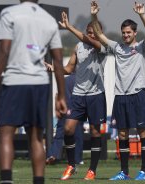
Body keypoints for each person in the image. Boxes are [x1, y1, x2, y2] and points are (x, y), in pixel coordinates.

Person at [0, 1, 67, 184]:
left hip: (14, 81)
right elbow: (59, 61)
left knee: (6, 133)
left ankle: (6, 181)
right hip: (39, 84)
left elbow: (4, 51)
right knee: (36, 138)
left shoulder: (9, 13)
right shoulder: (49, 20)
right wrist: (61, 95)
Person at [91, 1, 145, 180]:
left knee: (143, 132)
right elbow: (98, 34)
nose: (126, 35)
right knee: (122, 134)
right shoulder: (117, 47)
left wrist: (142, 14)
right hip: (120, 96)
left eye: (129, 32)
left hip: (139, 94)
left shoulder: (142, 47)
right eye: (124, 32)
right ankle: (124, 172)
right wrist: (94, 15)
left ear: (135, 33)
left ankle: (144, 171)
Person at [45, 12, 107, 180]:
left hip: (96, 95)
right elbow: (69, 68)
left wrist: (70, 27)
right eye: (89, 31)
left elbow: (91, 41)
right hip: (79, 95)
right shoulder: (78, 47)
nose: (91, 33)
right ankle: (71, 165)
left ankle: (92, 169)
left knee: (95, 132)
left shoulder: (103, 46)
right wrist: (53, 68)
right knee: (68, 129)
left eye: (94, 31)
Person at [46, 73, 84, 165]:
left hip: (64, 109)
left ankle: (53, 154)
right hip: (76, 110)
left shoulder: (64, 80)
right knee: (77, 135)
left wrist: (57, 109)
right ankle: (77, 158)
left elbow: (57, 95)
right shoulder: (81, 80)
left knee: (59, 134)